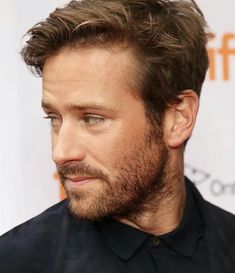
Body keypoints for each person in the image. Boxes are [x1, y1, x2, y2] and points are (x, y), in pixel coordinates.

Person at [0, 0, 235, 272]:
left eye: (92, 119)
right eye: (54, 118)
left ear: (177, 119)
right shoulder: (15, 262)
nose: (60, 153)